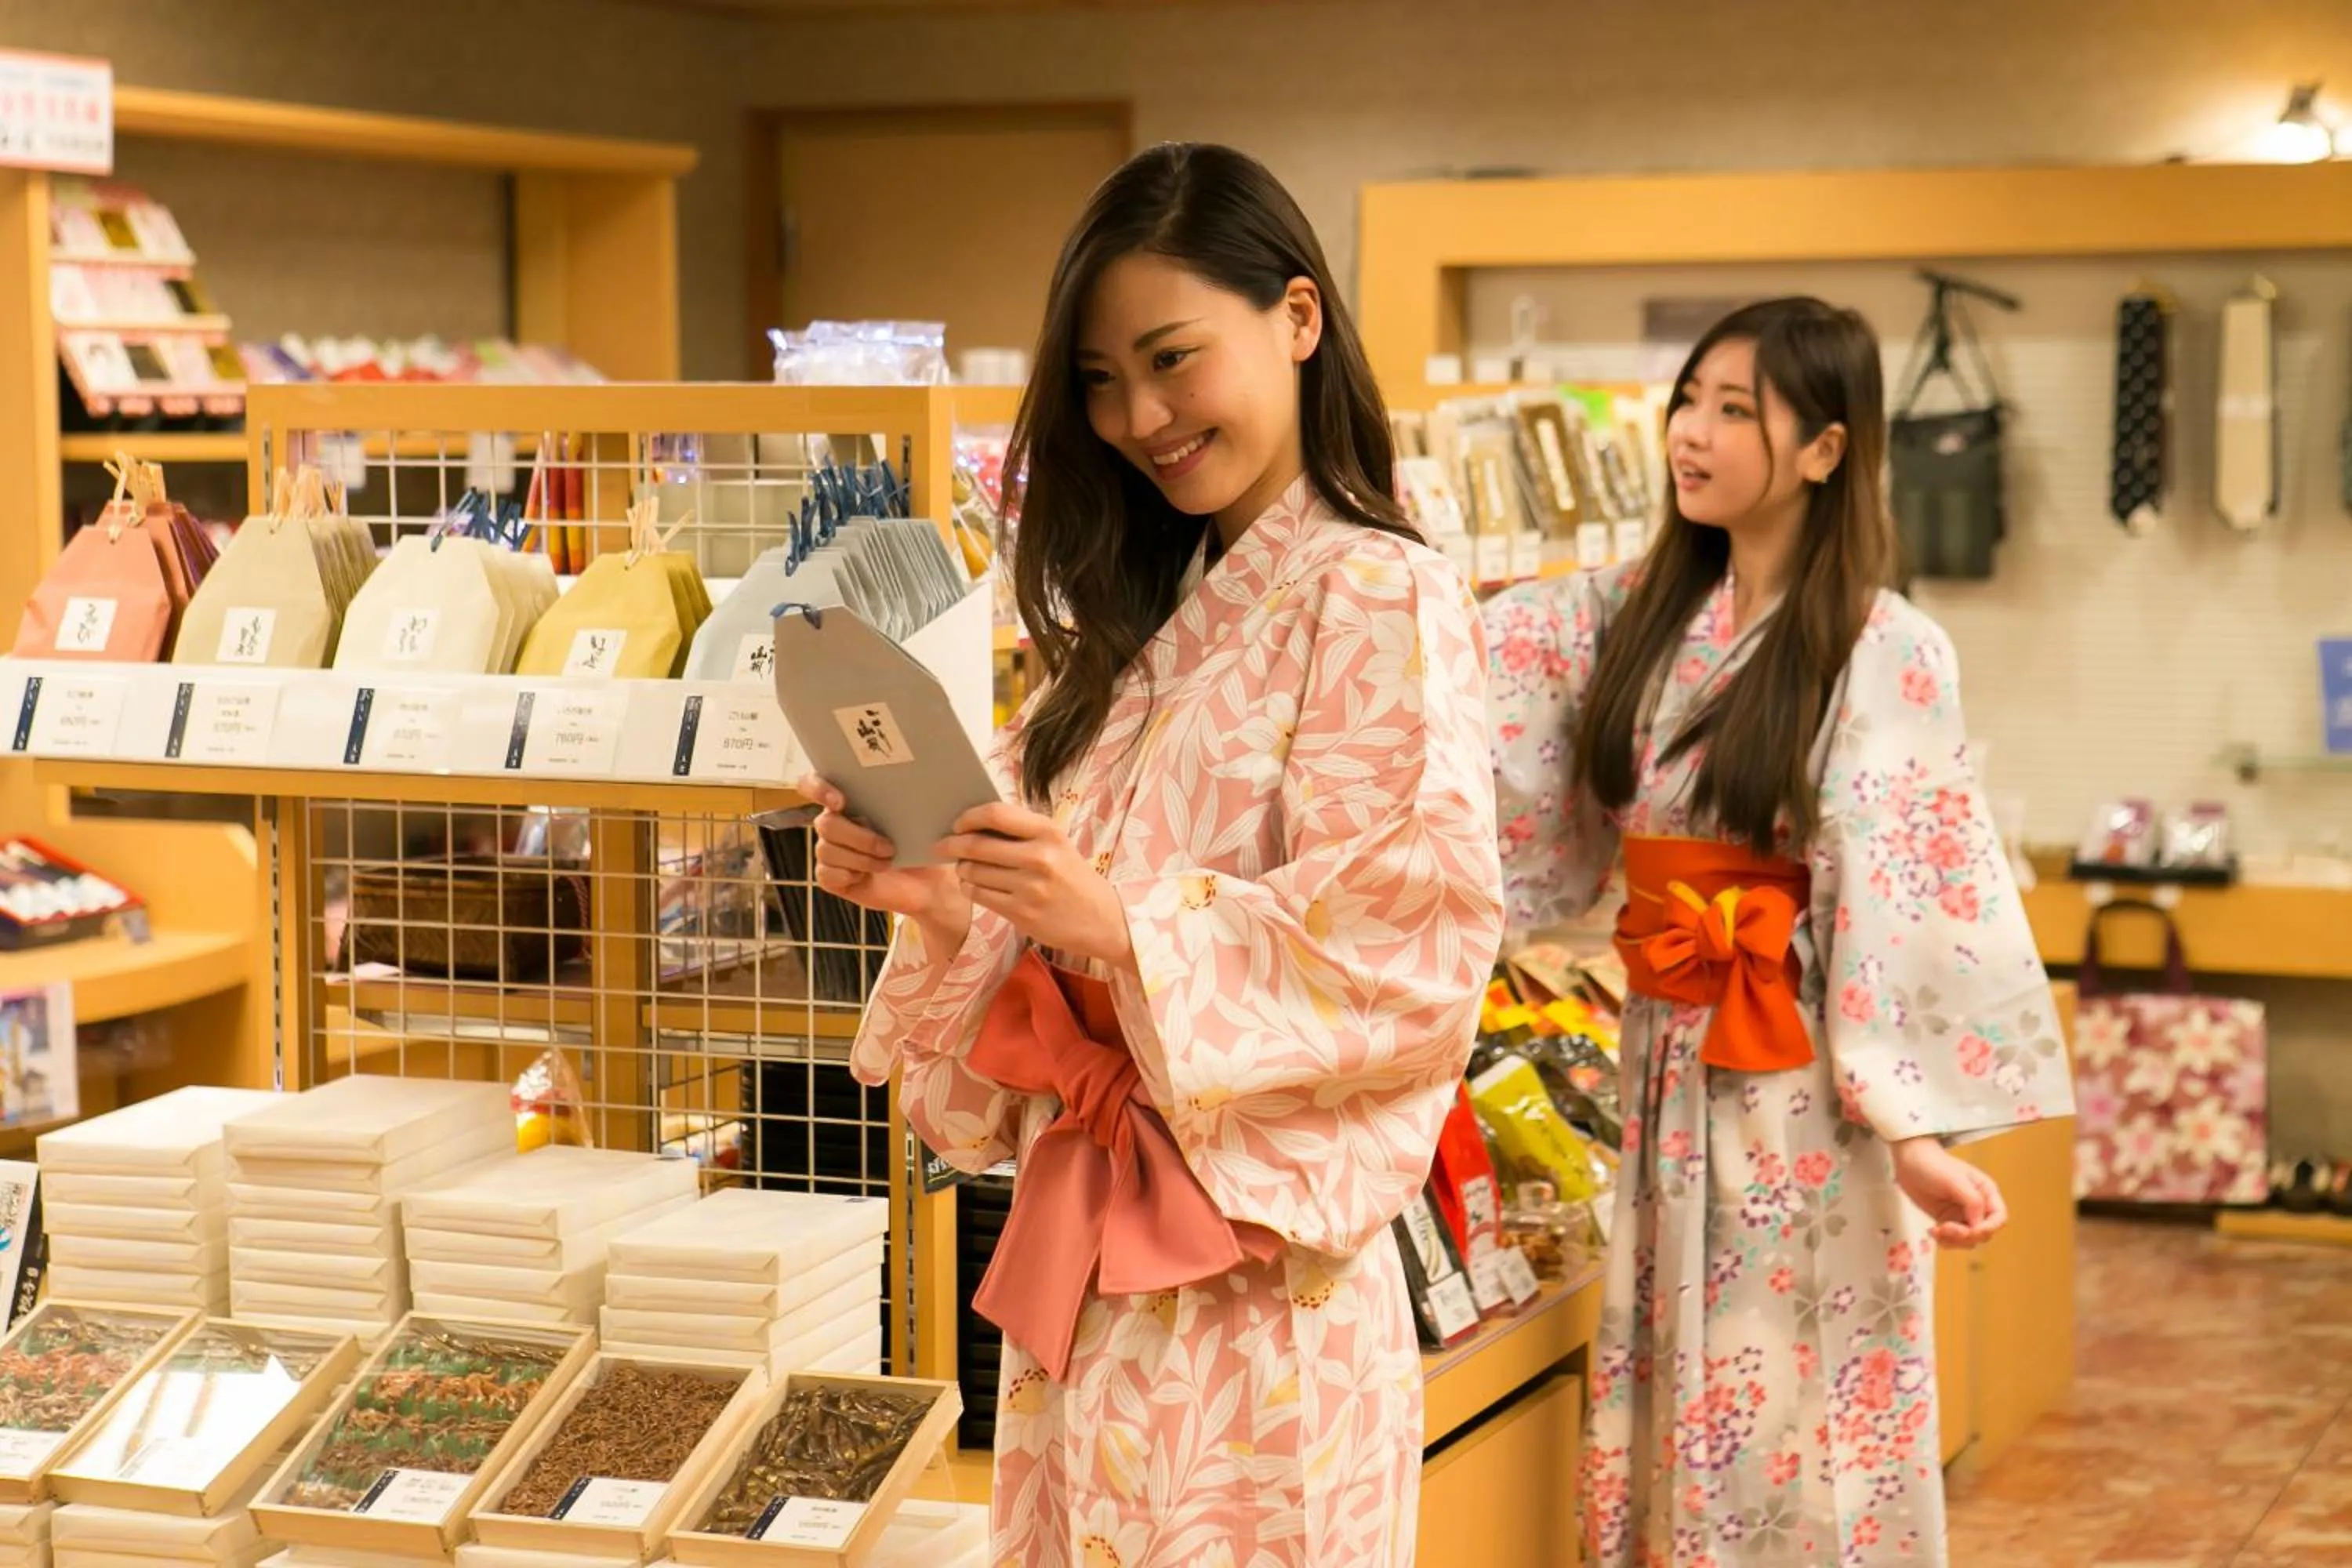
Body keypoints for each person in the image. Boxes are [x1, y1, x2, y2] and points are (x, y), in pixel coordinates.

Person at [808, 142, 1504, 1568]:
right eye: (1102, 383)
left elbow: (1409, 948)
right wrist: (948, 908)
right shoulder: (1136, 628)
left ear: (1298, 320)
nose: (1140, 417)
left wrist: (1127, 927)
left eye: (1175, 360)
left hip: (1257, 1302)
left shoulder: (1377, 591)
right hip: (1098, 1290)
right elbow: (1028, 1003)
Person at [1483, 297, 2075, 1567]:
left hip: (1799, 1084)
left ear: (1825, 449)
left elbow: (1898, 879)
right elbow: (1463, 671)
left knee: (1789, 1395)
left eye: (1734, 410)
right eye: (1687, 401)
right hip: (1660, 1053)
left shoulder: (1887, 647)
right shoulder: (1621, 614)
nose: (1689, 433)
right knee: (1676, 1391)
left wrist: (1910, 1128)